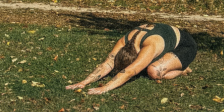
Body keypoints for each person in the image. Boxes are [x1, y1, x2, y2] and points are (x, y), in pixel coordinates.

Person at [65, 23, 197, 94]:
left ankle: (183, 69)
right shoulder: (125, 41)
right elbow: (108, 63)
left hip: (185, 46)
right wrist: (83, 82)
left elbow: (128, 72)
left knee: (153, 71)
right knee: (145, 68)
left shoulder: (149, 47)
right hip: (164, 42)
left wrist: (105, 88)